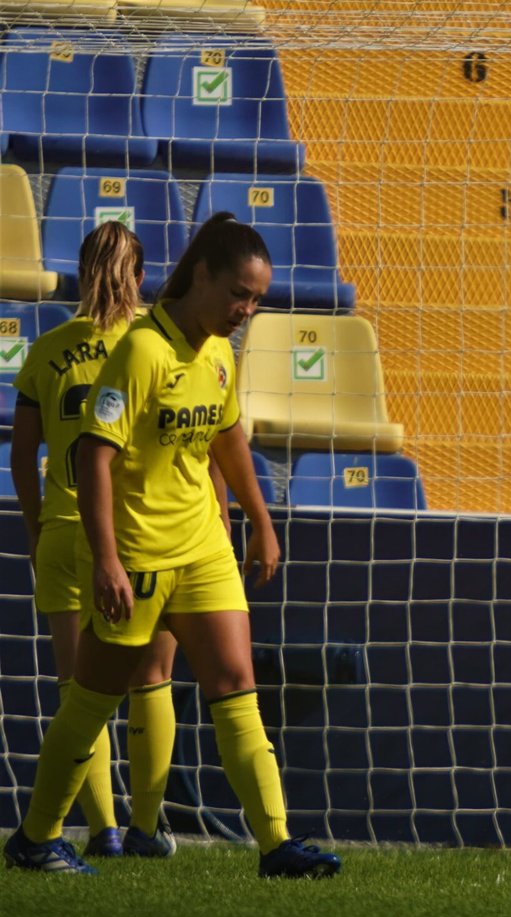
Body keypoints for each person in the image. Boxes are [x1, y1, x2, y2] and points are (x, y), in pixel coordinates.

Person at [3, 213, 340, 878]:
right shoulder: (141, 352)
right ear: (203, 275)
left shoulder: (218, 350)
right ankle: (37, 837)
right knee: (93, 698)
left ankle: (276, 845)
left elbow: (228, 438)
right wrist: (106, 560)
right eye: (240, 293)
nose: (246, 310)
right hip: (139, 557)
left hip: (202, 549)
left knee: (235, 685)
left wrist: (259, 521)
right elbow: (94, 460)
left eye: (258, 299)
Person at [10, 222, 199, 860]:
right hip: (143, 538)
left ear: (78, 271)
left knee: (78, 691)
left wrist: (38, 532)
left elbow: (20, 456)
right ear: (141, 276)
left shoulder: (48, 349)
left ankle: (104, 831)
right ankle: (146, 828)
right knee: (151, 679)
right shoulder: (156, 345)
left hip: (65, 535)